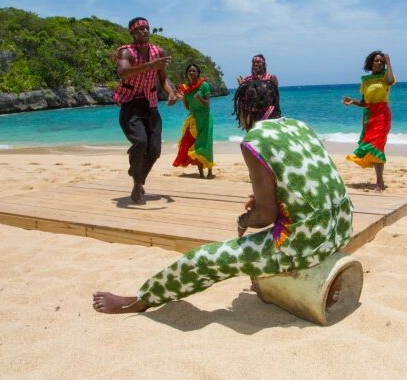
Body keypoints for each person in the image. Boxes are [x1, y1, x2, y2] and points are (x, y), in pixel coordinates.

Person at [93, 79, 353, 314]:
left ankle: (139, 300)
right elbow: (306, 178)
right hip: (341, 228)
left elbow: (265, 216)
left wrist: (244, 220)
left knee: (205, 259)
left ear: (244, 109)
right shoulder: (299, 125)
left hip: (305, 244)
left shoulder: (255, 139)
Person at [114, 17, 177, 203]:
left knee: (155, 150)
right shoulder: (127, 52)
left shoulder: (158, 52)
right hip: (130, 105)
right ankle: (136, 179)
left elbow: (162, 78)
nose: (144, 31)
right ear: (132, 33)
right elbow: (123, 73)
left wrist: (171, 93)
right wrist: (150, 65)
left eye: (146, 28)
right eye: (140, 29)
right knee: (140, 142)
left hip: (150, 105)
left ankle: (138, 179)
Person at [343, 51, 396, 191]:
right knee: (370, 145)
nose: (379, 63)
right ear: (370, 63)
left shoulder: (386, 76)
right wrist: (353, 101)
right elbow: (364, 102)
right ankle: (381, 181)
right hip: (368, 115)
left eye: (382, 61)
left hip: (382, 115)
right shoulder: (365, 81)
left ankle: (379, 183)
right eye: (376, 61)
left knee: (377, 147)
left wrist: (389, 62)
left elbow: (391, 82)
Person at [172, 63, 215, 179]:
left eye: (194, 71)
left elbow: (207, 104)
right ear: (187, 74)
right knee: (191, 144)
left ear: (198, 73)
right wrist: (182, 99)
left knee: (205, 145)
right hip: (193, 119)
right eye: (189, 71)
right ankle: (201, 174)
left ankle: (210, 170)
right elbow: (188, 107)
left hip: (205, 119)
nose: (192, 73)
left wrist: (199, 98)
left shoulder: (204, 85)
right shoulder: (186, 89)